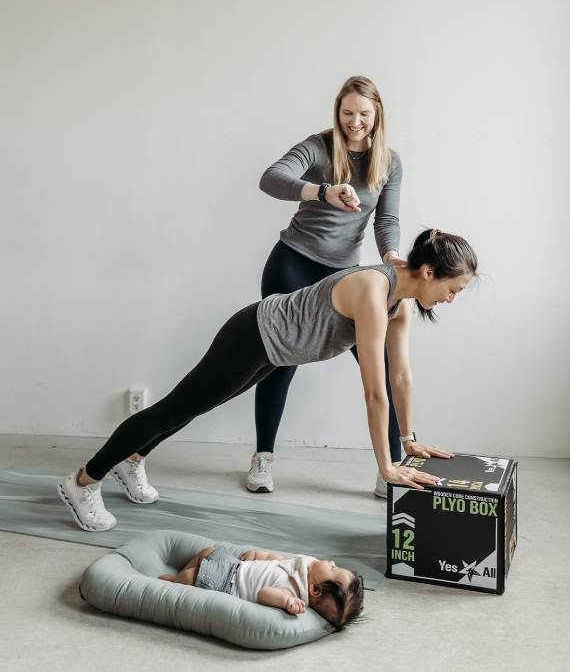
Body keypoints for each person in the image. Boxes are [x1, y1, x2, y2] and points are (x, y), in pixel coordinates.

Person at [57, 229, 477, 535]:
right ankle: (83, 482)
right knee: (176, 408)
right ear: (426, 271)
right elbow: (373, 390)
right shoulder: (373, 288)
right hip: (254, 334)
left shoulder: (398, 305)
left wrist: (408, 439)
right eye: (453, 288)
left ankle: (131, 462)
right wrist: (386, 467)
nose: (451, 299)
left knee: (194, 407)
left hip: (276, 351)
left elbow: (399, 375)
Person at [251, 75, 404, 496]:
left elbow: (386, 221)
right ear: (338, 112)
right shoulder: (318, 146)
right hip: (292, 266)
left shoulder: (389, 162)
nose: (355, 121)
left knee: (380, 368)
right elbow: (271, 178)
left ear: (377, 116)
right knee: (278, 363)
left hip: (344, 277)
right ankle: (263, 458)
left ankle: (389, 466)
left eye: (364, 114)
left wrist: (390, 257)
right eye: (348, 112)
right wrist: (322, 191)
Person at [157, 545, 364, 631]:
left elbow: (263, 593)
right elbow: (278, 560)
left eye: (333, 568)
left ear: (315, 590)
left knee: (190, 576)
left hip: (227, 584)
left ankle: (175, 581)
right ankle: (179, 575)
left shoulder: (291, 592)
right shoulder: (303, 568)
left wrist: (287, 602)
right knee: (208, 551)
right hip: (237, 566)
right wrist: (257, 554)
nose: (331, 561)